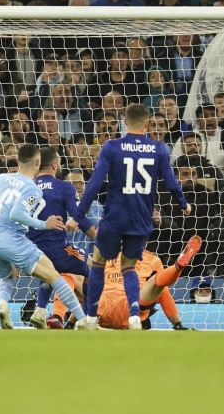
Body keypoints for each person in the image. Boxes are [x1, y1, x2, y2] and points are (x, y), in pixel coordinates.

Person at [78, 103, 191, 330]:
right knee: (129, 267)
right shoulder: (159, 149)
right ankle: (133, 317)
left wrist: (79, 212)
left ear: (125, 122)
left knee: (99, 262)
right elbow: (170, 181)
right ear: (147, 123)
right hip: (140, 218)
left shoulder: (111, 146)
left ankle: (90, 319)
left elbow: (95, 182)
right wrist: (183, 203)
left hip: (114, 216)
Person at [0, 143, 90, 330]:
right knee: (54, 276)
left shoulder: (0, 178)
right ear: (37, 162)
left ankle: (3, 305)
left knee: (8, 275)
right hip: (13, 241)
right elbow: (16, 214)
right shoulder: (32, 189)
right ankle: (84, 320)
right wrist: (44, 224)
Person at [27, 147, 97, 329]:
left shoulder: (27, 186)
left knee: (49, 270)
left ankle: (41, 310)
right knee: (91, 268)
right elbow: (78, 215)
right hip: (56, 248)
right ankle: (90, 318)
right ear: (54, 165)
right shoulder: (64, 187)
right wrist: (97, 236)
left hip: (29, 250)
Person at [98, 236, 201, 329]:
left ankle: (85, 317)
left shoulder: (106, 255)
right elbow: (163, 293)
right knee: (158, 281)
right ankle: (177, 267)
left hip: (103, 311)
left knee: (86, 274)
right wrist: (178, 324)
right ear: (145, 239)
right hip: (134, 312)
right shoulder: (153, 259)